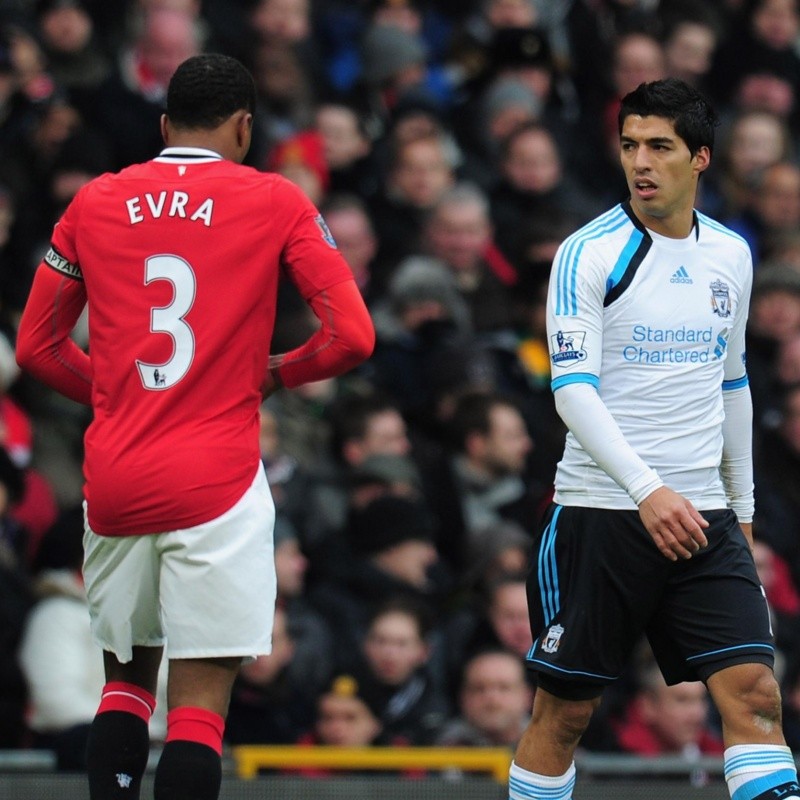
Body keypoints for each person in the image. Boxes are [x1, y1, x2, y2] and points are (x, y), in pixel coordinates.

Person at [15, 53, 374, 800]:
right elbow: (352, 337)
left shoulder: (95, 201)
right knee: (199, 713)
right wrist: (275, 375)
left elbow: (37, 348)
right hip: (217, 476)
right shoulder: (275, 201)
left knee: (123, 689)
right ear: (245, 127)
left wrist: (117, 396)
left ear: (163, 125)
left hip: (115, 475)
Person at [509, 77, 800, 800]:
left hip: (704, 517)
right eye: (630, 144)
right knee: (564, 714)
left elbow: (732, 382)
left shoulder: (730, 254)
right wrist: (647, 491)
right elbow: (572, 390)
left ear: (700, 157)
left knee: (757, 695)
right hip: (603, 511)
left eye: (660, 146)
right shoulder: (588, 253)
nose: (641, 161)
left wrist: (743, 503)